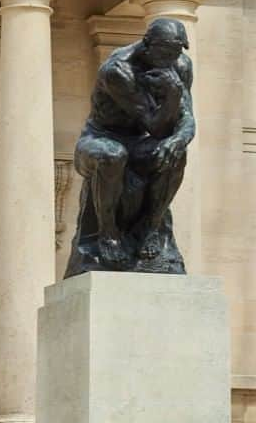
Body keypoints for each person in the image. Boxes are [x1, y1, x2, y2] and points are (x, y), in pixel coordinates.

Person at [65, 17, 194, 277]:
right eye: (165, 53)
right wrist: (172, 95)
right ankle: (108, 235)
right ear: (148, 46)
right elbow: (156, 126)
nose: (171, 59)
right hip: (100, 139)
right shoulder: (119, 70)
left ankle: (150, 227)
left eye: (176, 52)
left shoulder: (180, 64)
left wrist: (178, 139)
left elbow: (187, 119)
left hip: (139, 143)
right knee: (113, 155)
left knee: (176, 153)